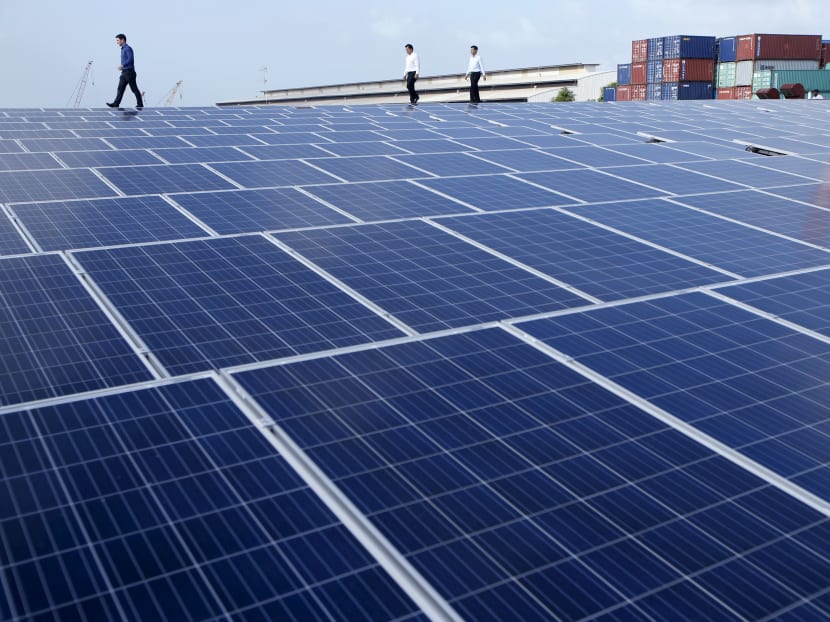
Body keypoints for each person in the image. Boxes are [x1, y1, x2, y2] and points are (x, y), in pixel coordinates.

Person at [107, 34, 144, 109]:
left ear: (122, 40)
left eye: (118, 40)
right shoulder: (123, 49)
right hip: (124, 72)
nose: (117, 42)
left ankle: (140, 104)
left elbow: (130, 59)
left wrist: (123, 65)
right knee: (120, 88)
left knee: (134, 89)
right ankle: (116, 103)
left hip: (129, 72)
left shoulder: (128, 48)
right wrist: (123, 67)